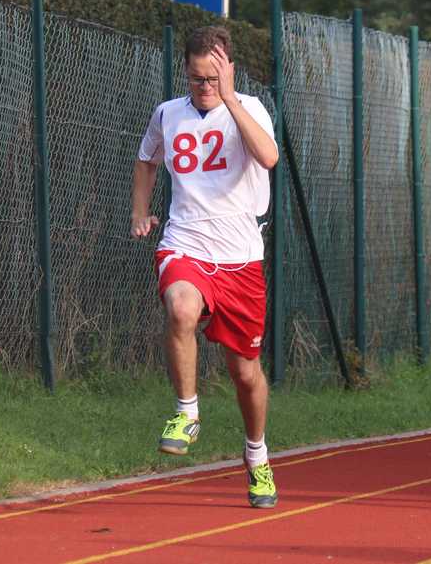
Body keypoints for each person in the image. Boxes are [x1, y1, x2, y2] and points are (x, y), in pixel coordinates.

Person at [131, 26, 280, 508]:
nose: (205, 87)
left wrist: (231, 99)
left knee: (245, 373)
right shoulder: (167, 114)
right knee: (179, 308)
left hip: (240, 257)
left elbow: (269, 157)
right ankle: (186, 411)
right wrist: (140, 210)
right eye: (197, 79)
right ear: (186, 73)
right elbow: (146, 160)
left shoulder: (249, 108)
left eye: (214, 78)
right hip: (185, 242)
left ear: (229, 70)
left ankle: (256, 456)